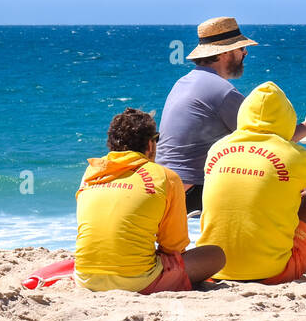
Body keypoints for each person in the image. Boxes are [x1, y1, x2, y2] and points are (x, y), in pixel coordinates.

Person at [157, 17, 306, 214]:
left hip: (167, 189)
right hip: (195, 194)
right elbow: (273, 143)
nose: (245, 52)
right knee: (304, 199)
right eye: (241, 49)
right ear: (226, 53)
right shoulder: (221, 91)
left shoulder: (183, 82)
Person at [199, 82, 306, 283]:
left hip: (214, 267)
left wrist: (285, 190)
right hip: (272, 273)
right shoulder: (292, 155)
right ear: (287, 117)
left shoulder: (217, 148)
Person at [74, 107, 225, 293]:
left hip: (85, 278)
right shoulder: (165, 177)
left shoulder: (91, 173)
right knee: (215, 254)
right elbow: (173, 247)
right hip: (138, 282)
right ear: (151, 145)